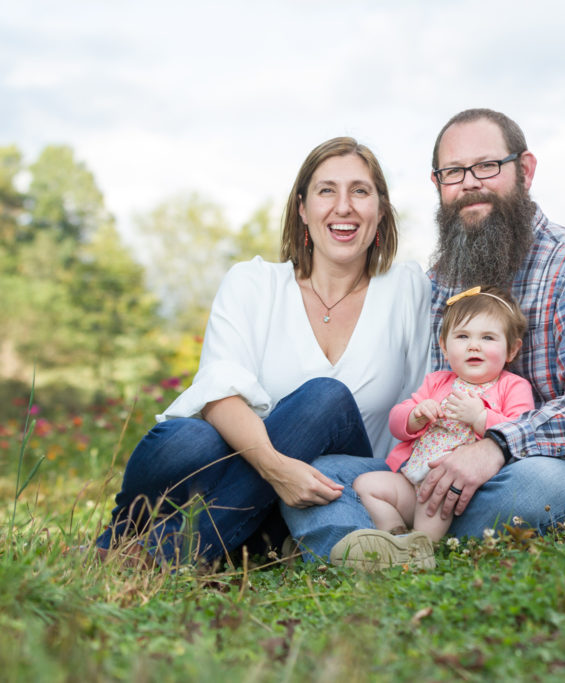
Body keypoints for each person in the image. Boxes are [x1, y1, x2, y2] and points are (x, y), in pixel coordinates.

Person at [283, 109, 565, 566]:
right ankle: (379, 548)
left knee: (535, 487)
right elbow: (427, 393)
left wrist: (497, 446)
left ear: (525, 170)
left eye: (487, 166)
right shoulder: (441, 282)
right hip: (437, 471)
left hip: (560, 472)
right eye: (453, 172)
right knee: (323, 473)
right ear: (438, 183)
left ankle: (386, 539)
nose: (469, 182)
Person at [95, 137, 430, 566]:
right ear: (302, 209)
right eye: (327, 190)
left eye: (360, 191)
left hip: (335, 488)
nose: (343, 206)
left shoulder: (406, 290)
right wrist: (277, 469)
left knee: (325, 398)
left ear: (380, 211)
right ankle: (131, 533)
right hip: (266, 489)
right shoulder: (253, 283)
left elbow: (426, 402)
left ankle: (157, 555)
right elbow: (217, 394)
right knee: (188, 439)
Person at [333, 287, 533, 569]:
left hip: (451, 488)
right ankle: (395, 537)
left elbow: (521, 431)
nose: (473, 346)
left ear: (511, 349)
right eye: (462, 337)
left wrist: (480, 418)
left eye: (487, 338)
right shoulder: (437, 382)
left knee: (435, 500)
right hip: (410, 480)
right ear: (444, 345)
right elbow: (396, 423)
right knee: (367, 485)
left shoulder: (511, 386)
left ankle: (419, 551)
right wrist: (416, 414)